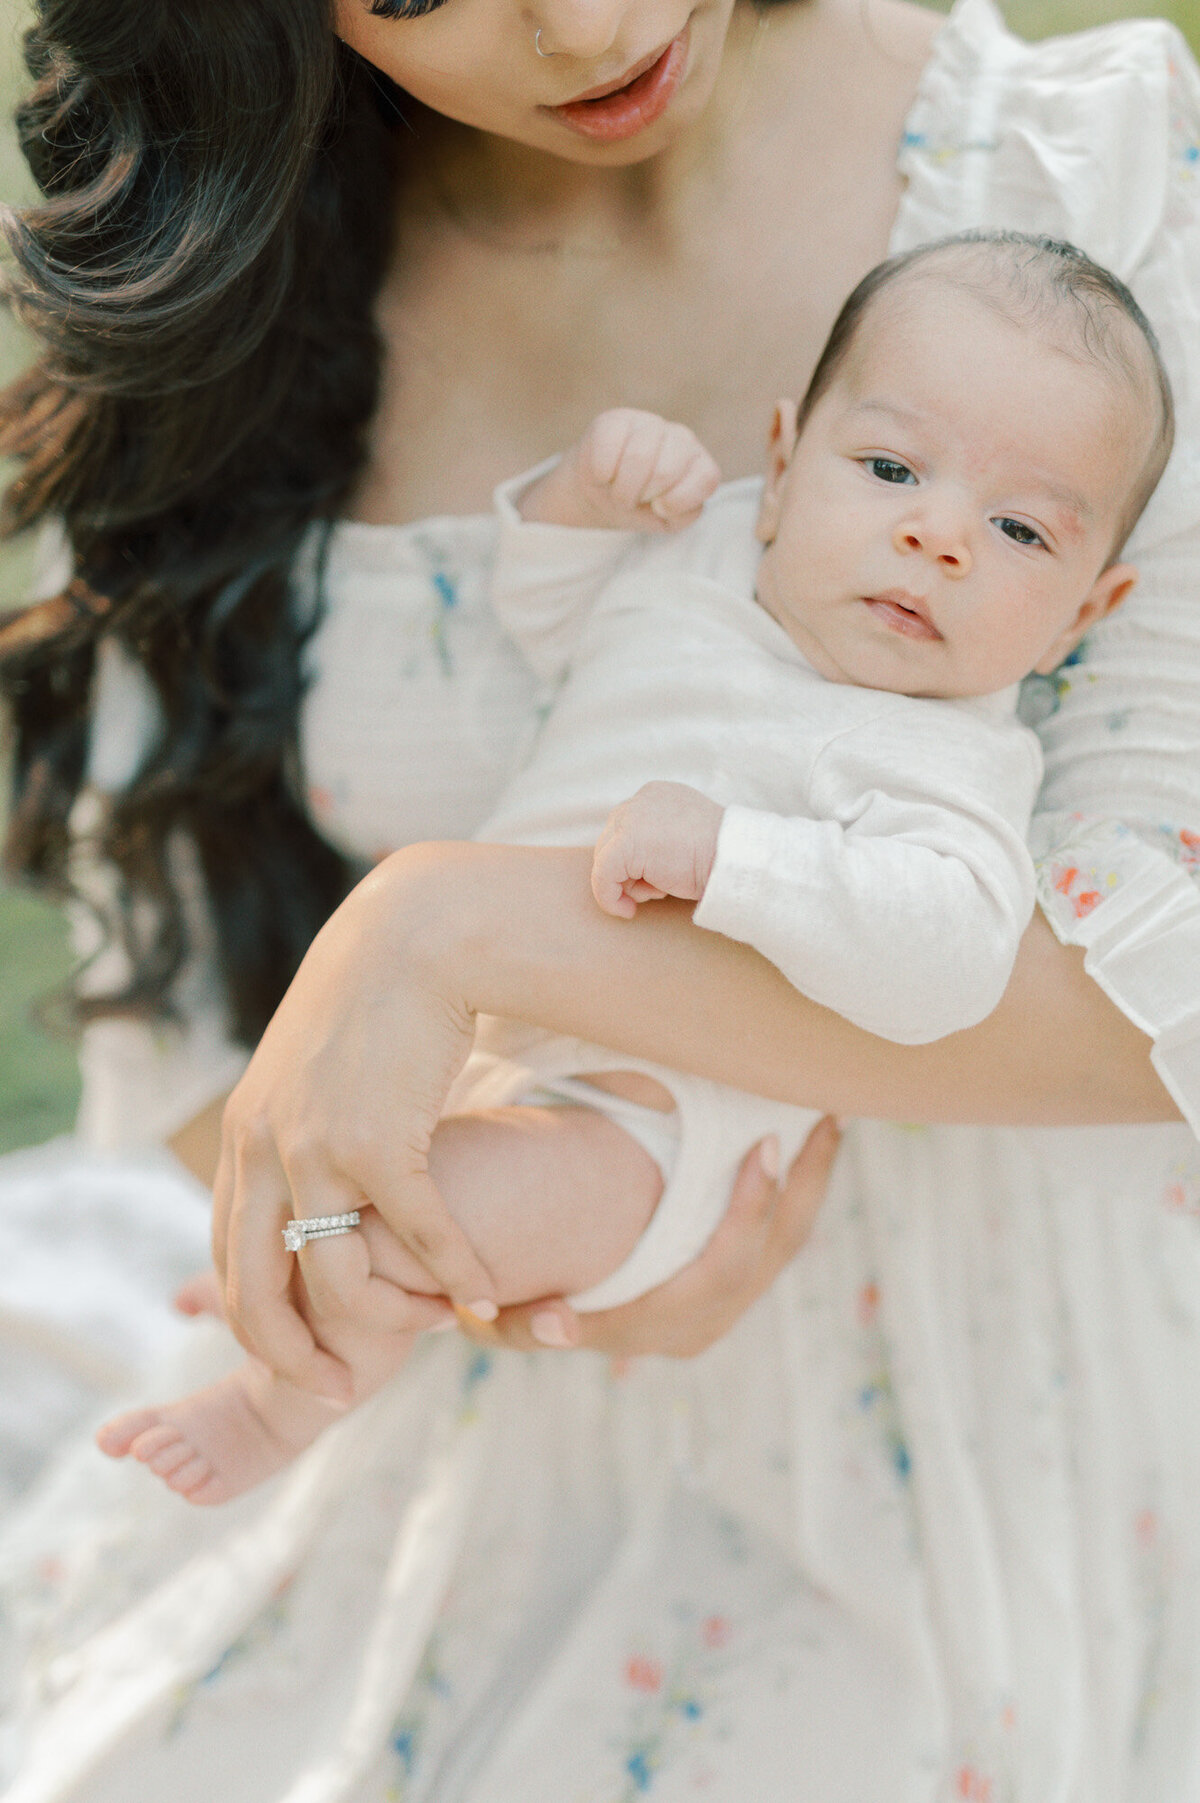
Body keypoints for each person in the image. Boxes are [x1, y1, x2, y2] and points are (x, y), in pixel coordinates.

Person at [0, 0, 1198, 1797]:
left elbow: (1152, 979)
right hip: (448, 1397)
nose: (581, 22)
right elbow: (185, 1024)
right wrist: (456, 1252)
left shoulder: (1096, 177)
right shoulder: (245, 277)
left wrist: (450, 927)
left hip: (993, 1419)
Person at [93, 231, 1171, 1511]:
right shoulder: (704, 572)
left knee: (431, 1207)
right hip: (463, 1036)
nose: (939, 535)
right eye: (888, 469)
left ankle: (278, 1402)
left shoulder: (949, 759)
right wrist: (574, 510)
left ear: (1085, 616)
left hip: (650, 1126)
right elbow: (547, 628)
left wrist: (738, 861)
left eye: (1018, 530)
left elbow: (945, 961)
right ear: (777, 473)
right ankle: (281, 1290)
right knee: (359, 1167)